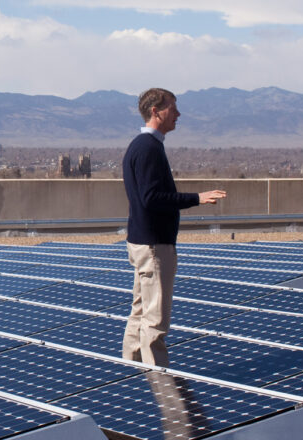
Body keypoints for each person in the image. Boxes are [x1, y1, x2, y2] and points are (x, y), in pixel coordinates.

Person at [121, 88, 226, 367]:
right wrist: (197, 198)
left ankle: (130, 375)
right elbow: (151, 197)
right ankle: (159, 384)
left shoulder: (142, 146)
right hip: (154, 245)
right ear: (156, 111)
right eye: (172, 108)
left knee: (140, 313)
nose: (178, 114)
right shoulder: (147, 149)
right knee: (154, 321)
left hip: (144, 240)